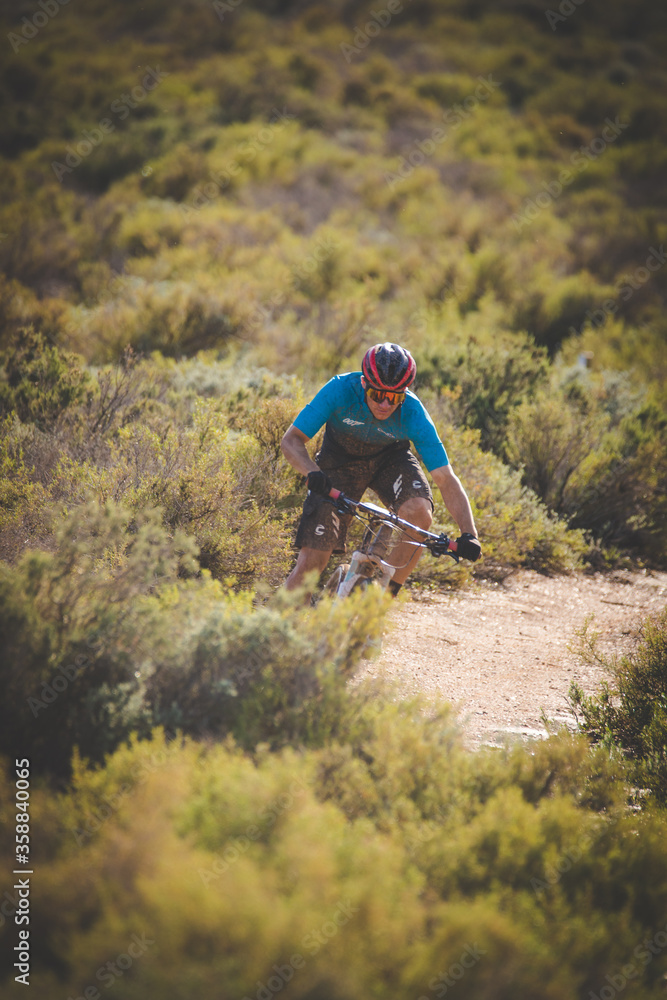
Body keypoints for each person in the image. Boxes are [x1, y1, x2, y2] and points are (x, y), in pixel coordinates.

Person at [281, 342, 481, 596]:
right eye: (378, 395)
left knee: (419, 512)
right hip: (338, 462)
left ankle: (381, 599)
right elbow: (291, 440)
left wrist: (469, 534)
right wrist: (313, 473)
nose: (385, 404)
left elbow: (445, 477)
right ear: (364, 383)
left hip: (390, 460)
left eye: (395, 397)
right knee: (311, 565)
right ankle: (273, 631)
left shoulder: (413, 412)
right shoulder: (340, 389)